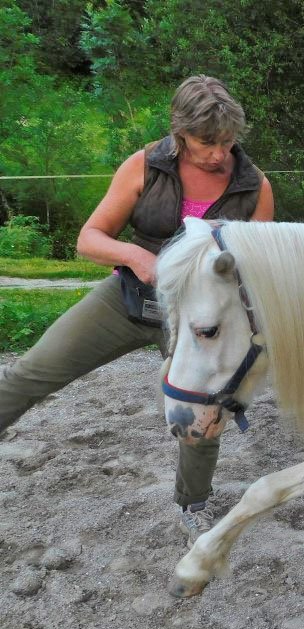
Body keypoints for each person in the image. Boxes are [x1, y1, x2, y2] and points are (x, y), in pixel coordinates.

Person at [0, 75, 274, 546]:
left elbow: (257, 269)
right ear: (180, 132)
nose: (217, 153)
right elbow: (90, 239)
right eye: (206, 142)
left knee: (204, 408)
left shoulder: (254, 188)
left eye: (227, 141)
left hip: (198, 317)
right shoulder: (145, 166)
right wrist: (135, 255)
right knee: (30, 372)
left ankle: (192, 506)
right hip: (127, 299)